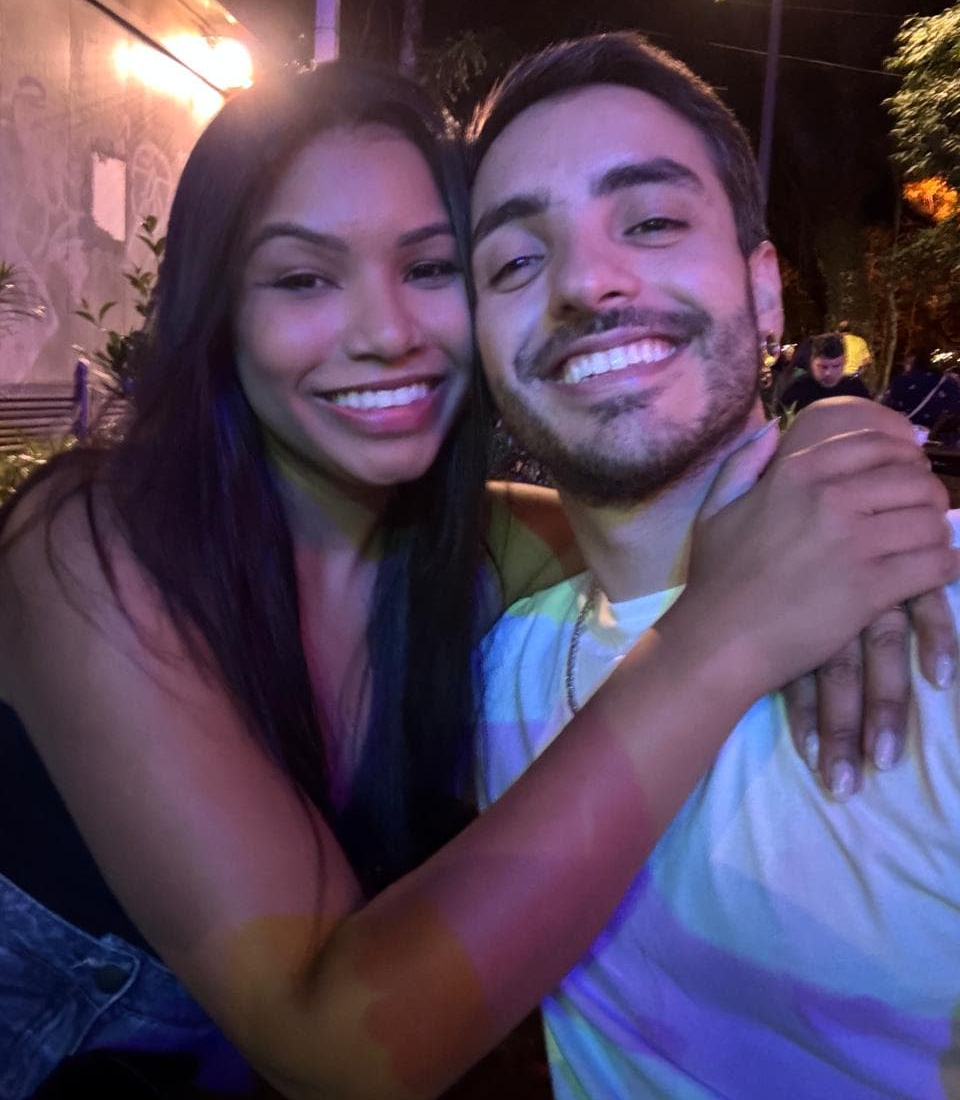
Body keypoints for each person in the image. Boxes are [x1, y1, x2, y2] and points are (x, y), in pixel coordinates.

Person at [0, 61, 954, 1100]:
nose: (387, 333)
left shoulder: (484, 556)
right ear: (218, 313)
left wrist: (840, 459)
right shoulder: (94, 542)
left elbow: (668, 519)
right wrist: (726, 634)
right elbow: (335, 1048)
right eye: (303, 279)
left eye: (430, 267)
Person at [468, 31, 960, 1099]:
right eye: (514, 262)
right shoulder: (498, 665)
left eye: (651, 221)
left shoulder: (938, 611)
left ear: (765, 288)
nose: (585, 282)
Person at [780, 331, 872, 413]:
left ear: (844, 362)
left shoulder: (856, 390)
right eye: (823, 367)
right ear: (812, 362)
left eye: (836, 366)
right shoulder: (798, 390)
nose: (829, 373)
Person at [883, 347, 960, 441]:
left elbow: (888, 408)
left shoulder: (902, 382)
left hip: (903, 436)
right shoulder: (947, 382)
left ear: (911, 360)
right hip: (943, 439)